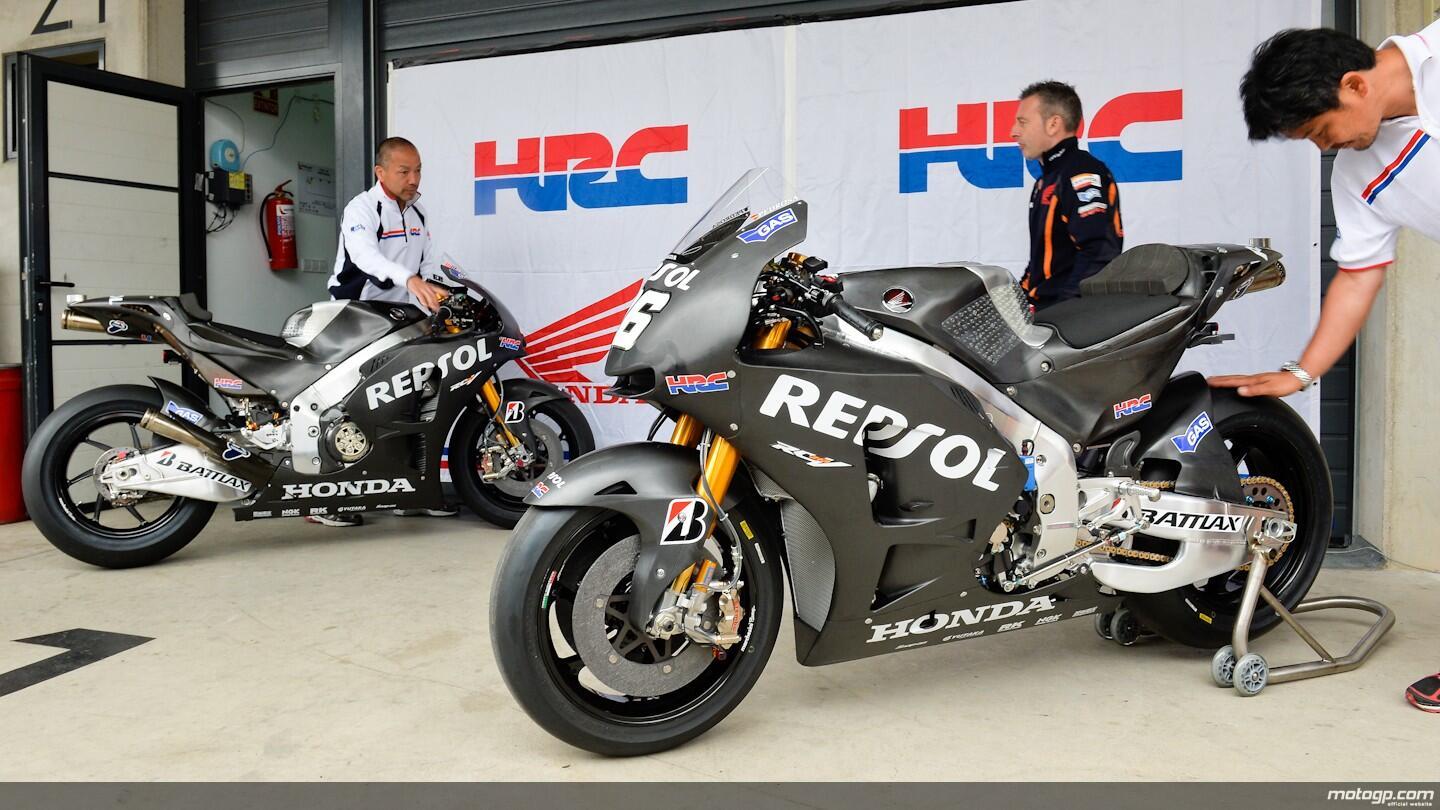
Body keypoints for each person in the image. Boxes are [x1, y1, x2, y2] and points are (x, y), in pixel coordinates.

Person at [1216, 23, 1440, 713]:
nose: (1324, 147)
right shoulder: (1360, 171)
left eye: (1320, 131)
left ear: (1355, 85)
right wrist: (1302, 372)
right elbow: (1359, 274)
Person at [313, 136, 457, 527]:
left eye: (418, 170)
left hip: (403, 317)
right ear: (381, 172)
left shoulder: (419, 211)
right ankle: (329, 499)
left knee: (414, 398)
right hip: (356, 315)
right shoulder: (362, 208)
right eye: (404, 171)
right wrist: (409, 280)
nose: (414, 179)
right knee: (348, 402)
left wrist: (439, 289)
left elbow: (427, 264)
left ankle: (410, 492)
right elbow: (364, 256)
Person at [1009, 80, 1125, 306]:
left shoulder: (1082, 172)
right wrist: (1017, 304)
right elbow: (1041, 267)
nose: (1014, 132)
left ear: (1053, 124)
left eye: (1023, 122)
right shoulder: (1046, 180)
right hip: (1046, 315)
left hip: (1069, 319)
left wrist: (1063, 311)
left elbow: (1098, 252)